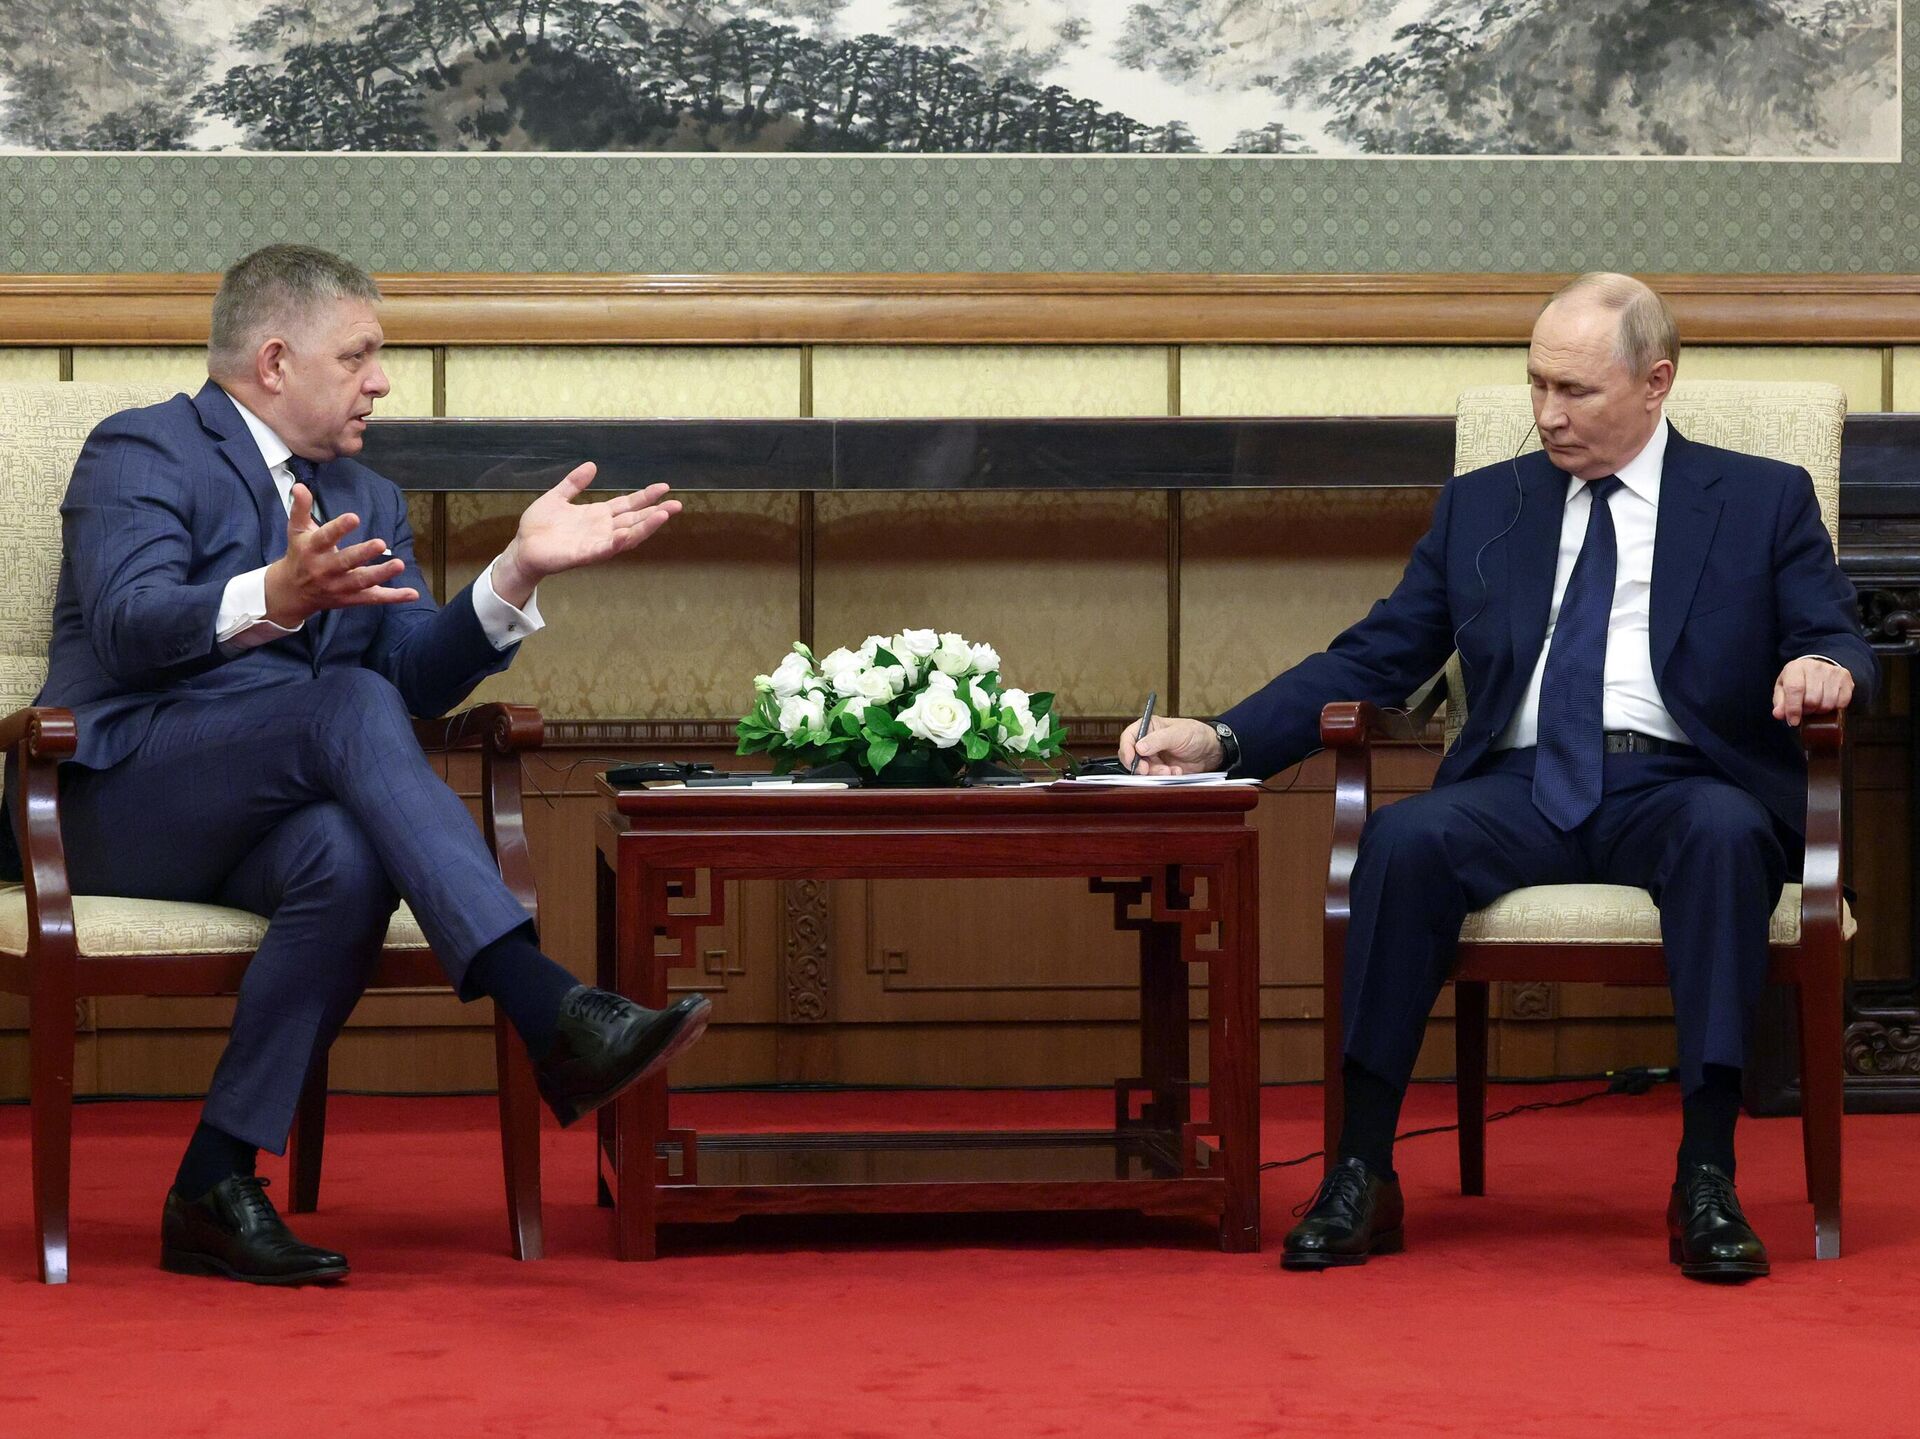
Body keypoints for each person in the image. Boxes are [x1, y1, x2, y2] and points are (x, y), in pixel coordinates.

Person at [1122, 273, 1875, 1282]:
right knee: (1401, 840)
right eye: (1536, 384)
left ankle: (1706, 1173)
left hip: (1682, 781)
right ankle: (1360, 1167)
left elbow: (1836, 634)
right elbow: (1375, 656)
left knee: (1725, 833)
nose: (1547, 414)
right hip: (1520, 784)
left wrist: (1823, 666)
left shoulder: (1760, 498)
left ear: (1657, 382)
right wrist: (1221, 737)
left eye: (1575, 391)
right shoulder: (1488, 502)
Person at [13, 244, 711, 1284]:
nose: (381, 380)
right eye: (359, 355)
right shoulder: (143, 448)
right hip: (119, 798)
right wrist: (274, 595)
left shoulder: (368, 497)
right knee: (344, 702)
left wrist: (514, 573)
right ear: (276, 361)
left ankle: (212, 1180)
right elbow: (127, 624)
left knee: (346, 853)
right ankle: (543, 1001)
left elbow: (413, 678)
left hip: (271, 811)